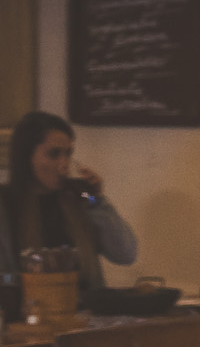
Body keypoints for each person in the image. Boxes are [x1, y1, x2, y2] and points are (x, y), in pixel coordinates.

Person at [0, 111, 138, 290]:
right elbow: (3, 278)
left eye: (68, 153)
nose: (64, 164)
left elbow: (126, 253)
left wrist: (96, 199)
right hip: (30, 311)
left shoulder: (78, 197)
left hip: (84, 311)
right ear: (27, 157)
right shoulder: (7, 204)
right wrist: (21, 281)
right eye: (54, 154)